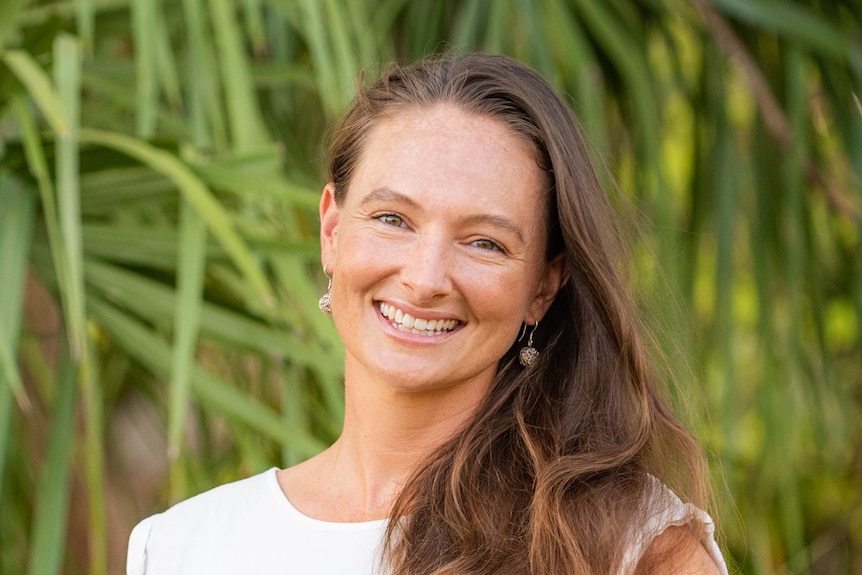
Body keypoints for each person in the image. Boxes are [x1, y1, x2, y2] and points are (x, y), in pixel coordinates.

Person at [127, 52, 727, 575]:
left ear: (543, 286)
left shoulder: (629, 546)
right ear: (332, 229)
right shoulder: (180, 547)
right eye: (393, 220)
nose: (424, 278)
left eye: (484, 242)